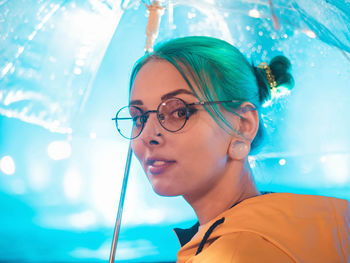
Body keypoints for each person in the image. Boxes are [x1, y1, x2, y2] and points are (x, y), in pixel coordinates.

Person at [114, 36, 350, 262]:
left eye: (179, 112)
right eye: (139, 117)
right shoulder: (324, 223)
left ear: (243, 127)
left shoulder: (231, 254)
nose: (147, 135)